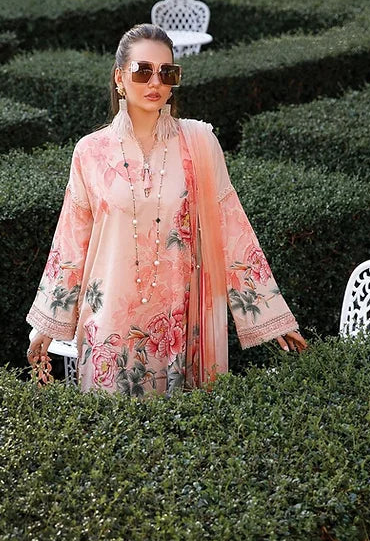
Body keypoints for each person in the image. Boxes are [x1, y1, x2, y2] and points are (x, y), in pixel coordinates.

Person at [26, 23, 308, 398]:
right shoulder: (90, 152)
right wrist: (46, 324)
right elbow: (70, 243)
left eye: (167, 72)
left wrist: (271, 315)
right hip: (108, 329)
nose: (155, 82)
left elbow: (231, 228)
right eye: (142, 71)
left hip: (177, 323)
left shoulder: (199, 144)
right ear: (120, 78)